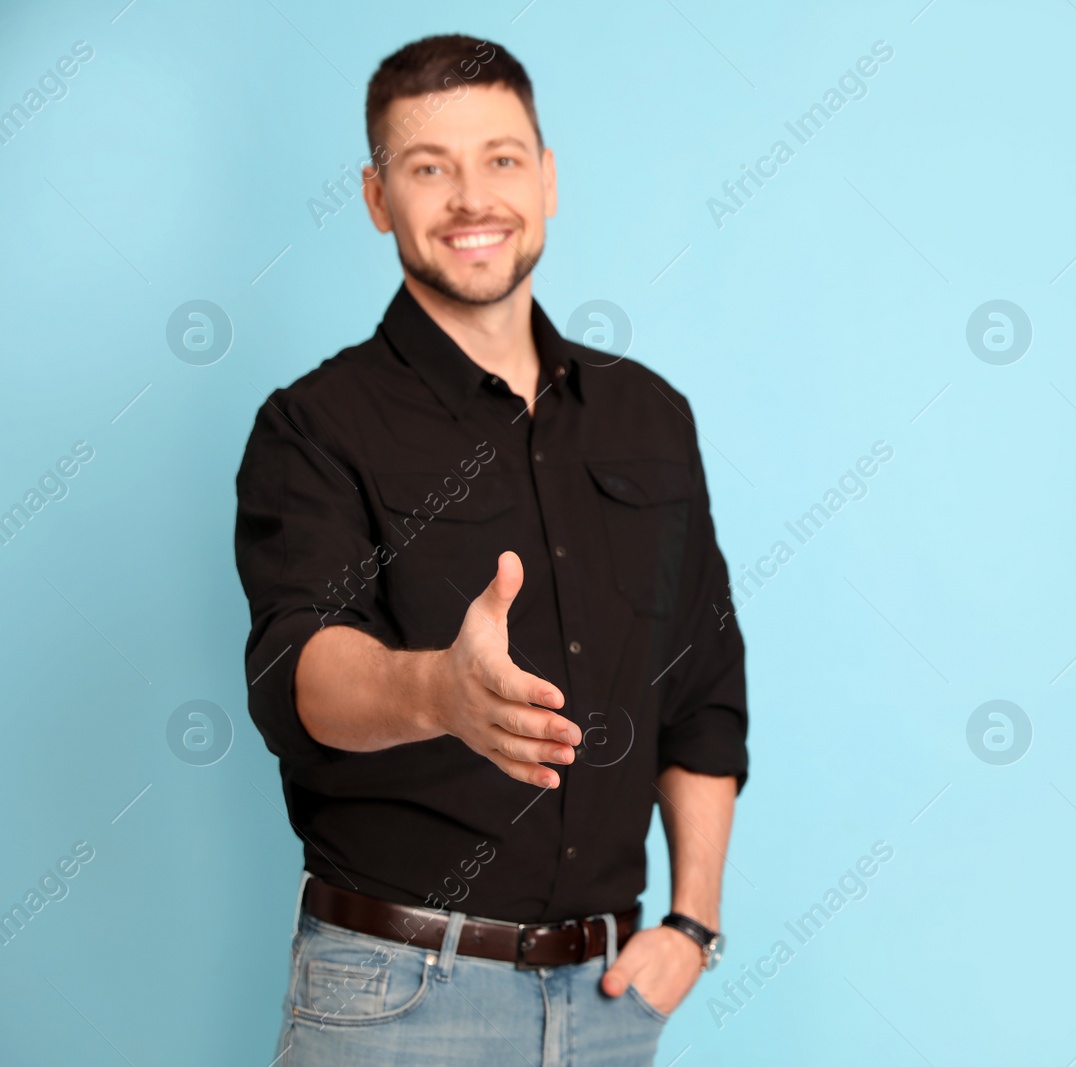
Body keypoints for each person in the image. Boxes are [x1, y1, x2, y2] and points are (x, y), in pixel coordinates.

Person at [233, 33, 747, 1066]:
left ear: (548, 179)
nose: (473, 198)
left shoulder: (649, 416)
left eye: (501, 159)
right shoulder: (313, 425)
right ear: (378, 197)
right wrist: (439, 694)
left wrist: (691, 924)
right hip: (393, 998)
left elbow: (703, 687)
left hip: (609, 1003)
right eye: (429, 167)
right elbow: (297, 672)